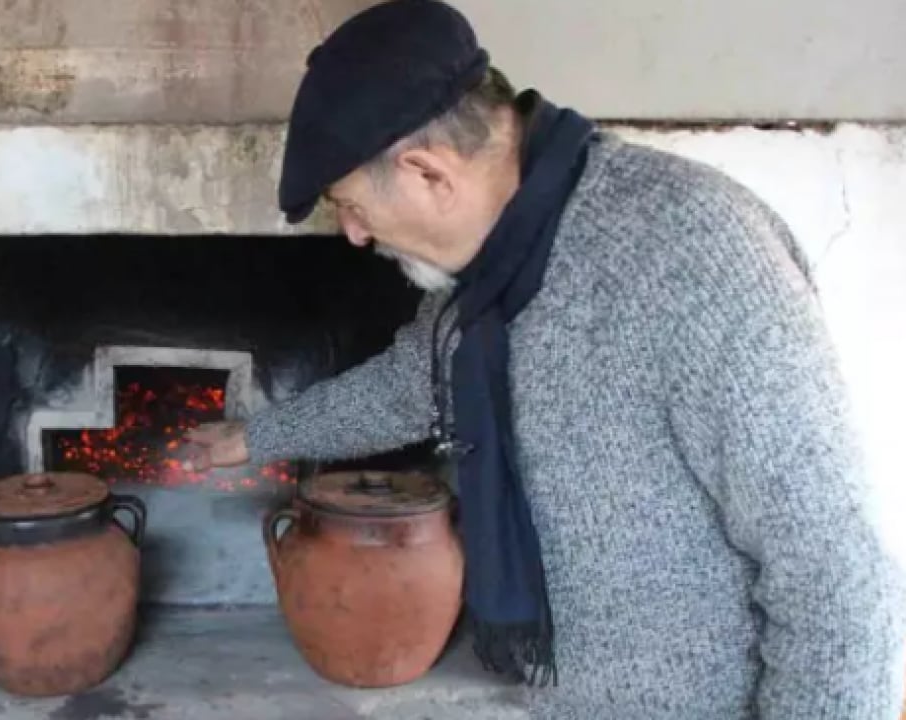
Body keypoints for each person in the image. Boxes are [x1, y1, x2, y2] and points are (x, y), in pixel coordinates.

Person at [184, 0, 906, 718]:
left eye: (349, 204)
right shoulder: (487, 271)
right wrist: (259, 437)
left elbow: (835, 582)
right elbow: (412, 386)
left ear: (428, 173)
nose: (354, 235)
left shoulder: (691, 253)